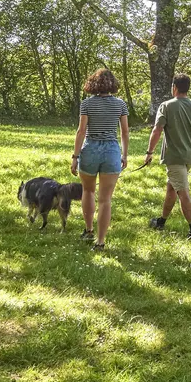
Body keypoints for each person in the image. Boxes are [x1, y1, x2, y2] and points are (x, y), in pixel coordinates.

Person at [144, 72, 191, 238]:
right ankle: (161, 222)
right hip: (189, 157)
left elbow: (157, 130)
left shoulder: (166, 106)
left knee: (182, 192)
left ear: (174, 87)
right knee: (171, 189)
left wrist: (149, 152)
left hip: (174, 158)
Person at [72, 68, 129, 248]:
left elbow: (81, 131)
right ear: (113, 84)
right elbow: (125, 132)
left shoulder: (86, 104)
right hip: (111, 150)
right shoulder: (120, 104)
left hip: (90, 149)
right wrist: (125, 154)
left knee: (88, 191)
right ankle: (101, 241)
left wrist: (75, 156)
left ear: (93, 84)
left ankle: (89, 230)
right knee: (106, 199)